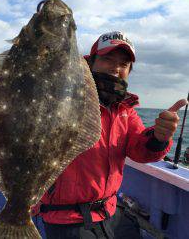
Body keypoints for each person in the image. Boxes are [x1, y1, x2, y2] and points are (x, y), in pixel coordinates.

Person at [31, 31, 188, 239]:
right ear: (91, 62)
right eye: (107, 59)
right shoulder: (63, 95)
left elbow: (139, 151)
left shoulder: (125, 109)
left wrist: (159, 137)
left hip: (108, 209)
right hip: (66, 217)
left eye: (124, 64)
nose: (116, 67)